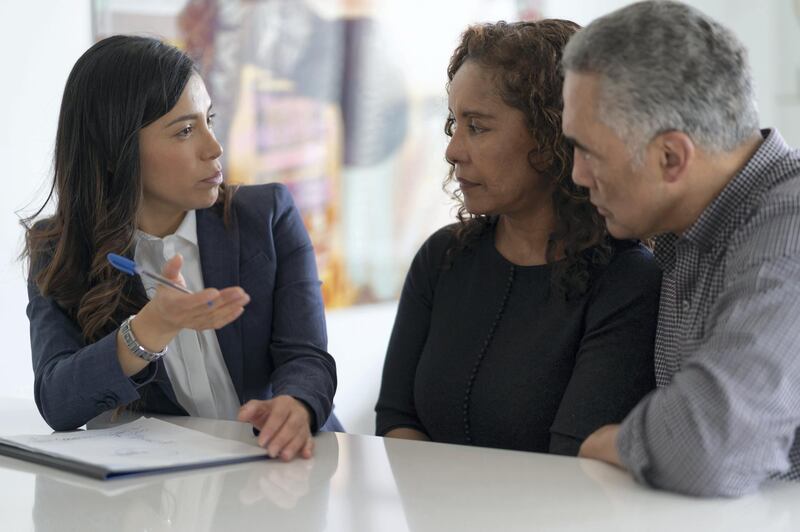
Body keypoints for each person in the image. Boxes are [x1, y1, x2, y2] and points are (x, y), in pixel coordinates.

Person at [23, 35, 340, 461]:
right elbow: (58, 403)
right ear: (116, 151)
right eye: (186, 130)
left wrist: (297, 405)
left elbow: (307, 358)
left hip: (281, 467)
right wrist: (146, 332)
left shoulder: (267, 215)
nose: (214, 147)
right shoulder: (59, 249)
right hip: (165, 494)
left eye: (209, 119)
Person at [374, 20, 661, 455]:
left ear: (552, 136)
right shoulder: (442, 257)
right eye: (455, 123)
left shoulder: (626, 280)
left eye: (478, 126)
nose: (452, 150)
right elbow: (397, 418)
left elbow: (572, 459)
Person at [561, 0, 800, 497]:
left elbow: (709, 448)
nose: (577, 176)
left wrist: (614, 440)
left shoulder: (788, 230)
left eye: (588, 152)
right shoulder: (686, 228)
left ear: (671, 157)